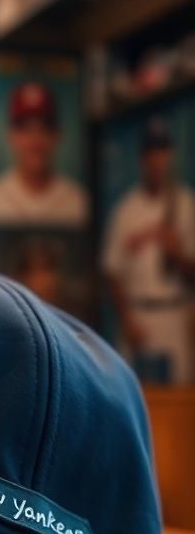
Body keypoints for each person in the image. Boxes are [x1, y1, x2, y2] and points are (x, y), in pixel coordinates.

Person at [102, 118, 195, 384]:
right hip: (138, 314)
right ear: (142, 158)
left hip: (174, 313)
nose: (158, 159)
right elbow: (112, 272)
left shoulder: (186, 204)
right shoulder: (126, 210)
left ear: (171, 155)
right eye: (152, 152)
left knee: (178, 401)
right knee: (136, 394)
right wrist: (127, 319)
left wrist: (177, 254)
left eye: (163, 151)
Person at [0, 81, 86, 226]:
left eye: (44, 128)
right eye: (25, 129)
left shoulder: (78, 201)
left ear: (57, 136)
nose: (35, 140)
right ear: (11, 136)